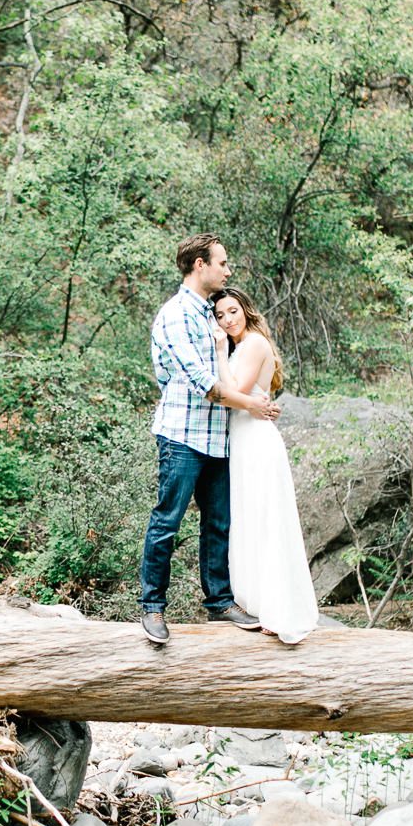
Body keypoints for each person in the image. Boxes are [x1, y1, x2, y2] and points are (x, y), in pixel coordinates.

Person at [138, 233, 282, 645]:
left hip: (218, 438)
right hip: (182, 435)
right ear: (200, 265)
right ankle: (152, 608)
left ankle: (219, 601)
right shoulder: (175, 314)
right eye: (221, 262)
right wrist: (253, 405)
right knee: (167, 521)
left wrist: (252, 398)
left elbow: (230, 369)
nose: (227, 269)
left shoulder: (207, 314)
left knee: (218, 524)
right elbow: (204, 383)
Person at [213, 287, 320, 644]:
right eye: (220, 316)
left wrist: (217, 352)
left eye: (232, 311)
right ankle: (255, 603)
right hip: (243, 441)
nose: (228, 319)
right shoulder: (240, 347)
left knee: (266, 518)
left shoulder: (254, 343)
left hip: (257, 440)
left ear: (245, 308)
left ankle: (278, 609)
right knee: (250, 519)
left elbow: (237, 393)